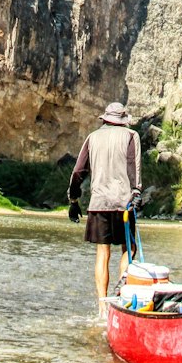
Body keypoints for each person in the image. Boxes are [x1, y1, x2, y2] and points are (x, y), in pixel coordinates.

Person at [67, 101, 142, 316]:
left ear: (105, 119)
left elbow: (78, 171)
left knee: (103, 250)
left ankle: (102, 306)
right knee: (129, 248)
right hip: (123, 203)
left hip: (98, 203)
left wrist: (73, 200)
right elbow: (133, 167)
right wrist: (136, 191)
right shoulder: (131, 136)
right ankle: (120, 299)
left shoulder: (92, 138)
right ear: (123, 120)